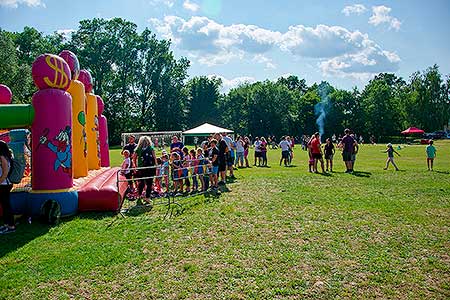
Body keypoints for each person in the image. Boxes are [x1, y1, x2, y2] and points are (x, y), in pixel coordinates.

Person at [133, 136, 157, 202]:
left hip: (142, 167)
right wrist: (156, 166)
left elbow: (134, 159)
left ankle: (140, 195)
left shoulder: (138, 148)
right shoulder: (150, 148)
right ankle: (146, 197)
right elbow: (154, 157)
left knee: (142, 182)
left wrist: (135, 167)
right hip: (149, 167)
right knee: (148, 183)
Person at [0, 141, 15, 234]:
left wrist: (0, 181)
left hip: (4, 185)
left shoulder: (3, 158)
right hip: (4, 184)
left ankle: (10, 226)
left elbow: (5, 172)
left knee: (6, 206)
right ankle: (6, 225)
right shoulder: (6, 157)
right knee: (5, 205)